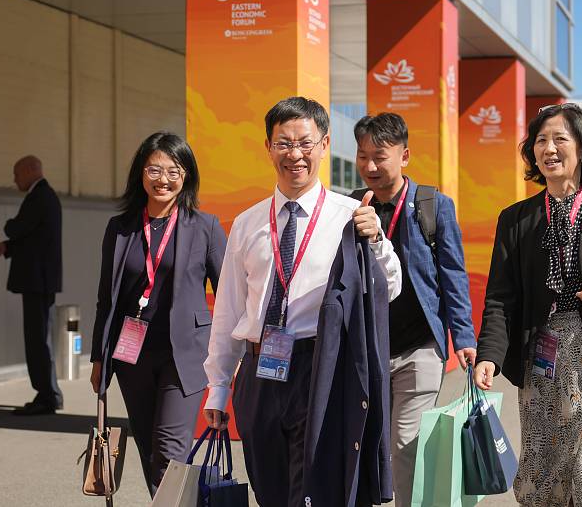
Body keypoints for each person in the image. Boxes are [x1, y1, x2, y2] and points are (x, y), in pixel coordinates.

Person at [203, 97, 401, 507]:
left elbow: (391, 287)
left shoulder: (351, 215)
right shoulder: (247, 223)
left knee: (313, 490)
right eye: (284, 143)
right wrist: (218, 387)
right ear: (268, 147)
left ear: (324, 145)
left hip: (321, 369)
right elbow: (228, 311)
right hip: (259, 373)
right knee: (270, 490)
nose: (295, 154)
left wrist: (377, 240)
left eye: (305, 143)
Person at [472, 103, 582, 506]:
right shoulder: (516, 218)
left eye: (559, 139)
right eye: (540, 141)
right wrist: (489, 355)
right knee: (540, 479)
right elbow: (501, 296)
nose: (548, 149)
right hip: (540, 356)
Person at [88, 132, 226, 496]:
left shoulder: (205, 227)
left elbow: (228, 295)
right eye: (154, 169)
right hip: (131, 356)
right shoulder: (120, 229)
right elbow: (106, 299)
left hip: (184, 357)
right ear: (140, 173)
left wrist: (229, 357)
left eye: (173, 171)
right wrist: (99, 358)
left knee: (169, 451)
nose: (163, 179)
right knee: (150, 452)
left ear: (186, 176)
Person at [349, 112, 476, 507]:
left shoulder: (432, 206)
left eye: (379, 157)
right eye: (363, 156)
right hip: (365, 350)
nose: (370, 166)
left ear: (404, 156)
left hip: (419, 348)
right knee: (364, 442)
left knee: (406, 444)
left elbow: (453, 276)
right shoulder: (351, 206)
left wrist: (464, 338)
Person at [0, 156, 64, 416]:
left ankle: (47, 395)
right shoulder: (44, 197)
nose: (14, 180)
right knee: (40, 338)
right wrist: (7, 248)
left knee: (37, 339)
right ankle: (50, 393)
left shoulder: (39, 197)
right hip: (40, 280)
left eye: (17, 174)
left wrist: (8, 230)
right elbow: (33, 239)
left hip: (37, 281)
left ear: (31, 170)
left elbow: (17, 228)